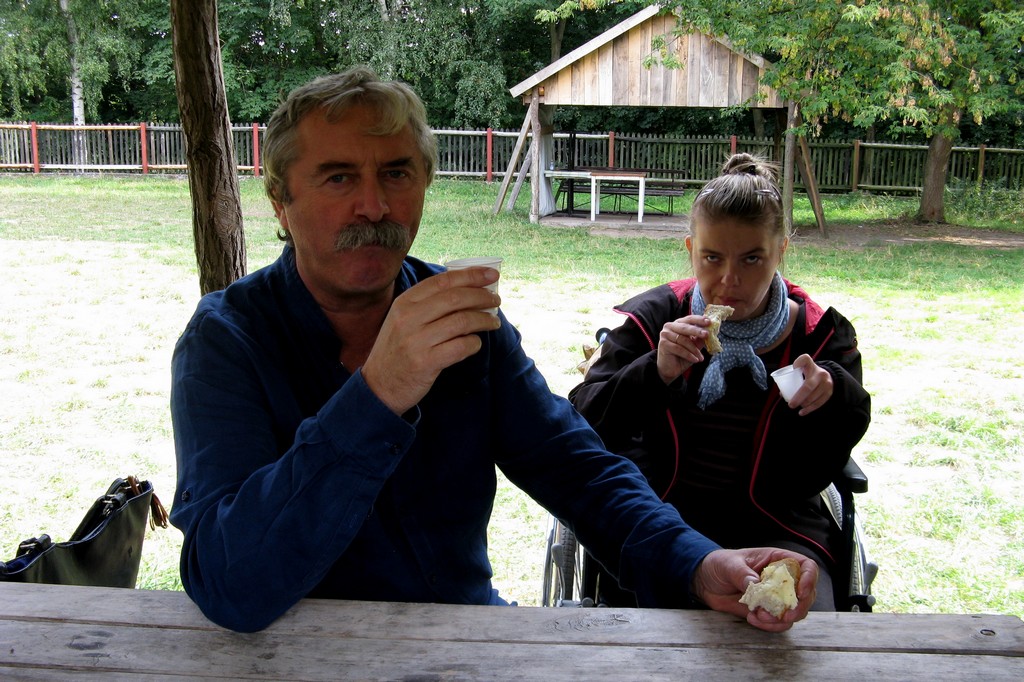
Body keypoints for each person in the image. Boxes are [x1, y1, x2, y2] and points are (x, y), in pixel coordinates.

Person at [168, 67, 818, 633]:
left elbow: (576, 467)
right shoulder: (227, 340)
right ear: (280, 201)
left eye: (396, 173)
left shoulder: (463, 319)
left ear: (425, 183)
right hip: (297, 654)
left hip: (466, 639)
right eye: (338, 177)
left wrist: (696, 561)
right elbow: (228, 583)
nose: (374, 205)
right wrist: (377, 394)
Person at [570, 153, 871, 610]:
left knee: (805, 626)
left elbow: (834, 450)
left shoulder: (819, 336)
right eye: (712, 258)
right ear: (690, 250)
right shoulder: (655, 319)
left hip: (780, 524)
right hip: (661, 516)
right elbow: (582, 424)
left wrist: (832, 396)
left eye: (752, 258)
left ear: (781, 251)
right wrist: (655, 371)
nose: (730, 280)